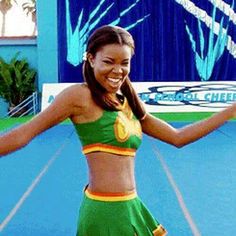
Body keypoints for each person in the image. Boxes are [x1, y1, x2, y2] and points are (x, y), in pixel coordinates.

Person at [0, 25, 236, 236]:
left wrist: (230, 111)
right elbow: (25, 132)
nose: (118, 70)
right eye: (108, 61)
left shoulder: (127, 100)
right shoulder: (78, 96)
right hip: (105, 211)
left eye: (124, 63)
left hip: (131, 206)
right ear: (91, 59)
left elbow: (178, 137)